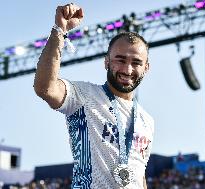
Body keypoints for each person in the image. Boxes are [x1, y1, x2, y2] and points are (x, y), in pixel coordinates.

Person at [33, 3, 154, 189]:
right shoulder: (84, 96)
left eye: (136, 62)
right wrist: (59, 30)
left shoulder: (147, 120)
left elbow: (139, 176)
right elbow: (45, 88)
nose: (127, 69)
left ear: (146, 68)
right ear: (106, 62)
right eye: (120, 60)